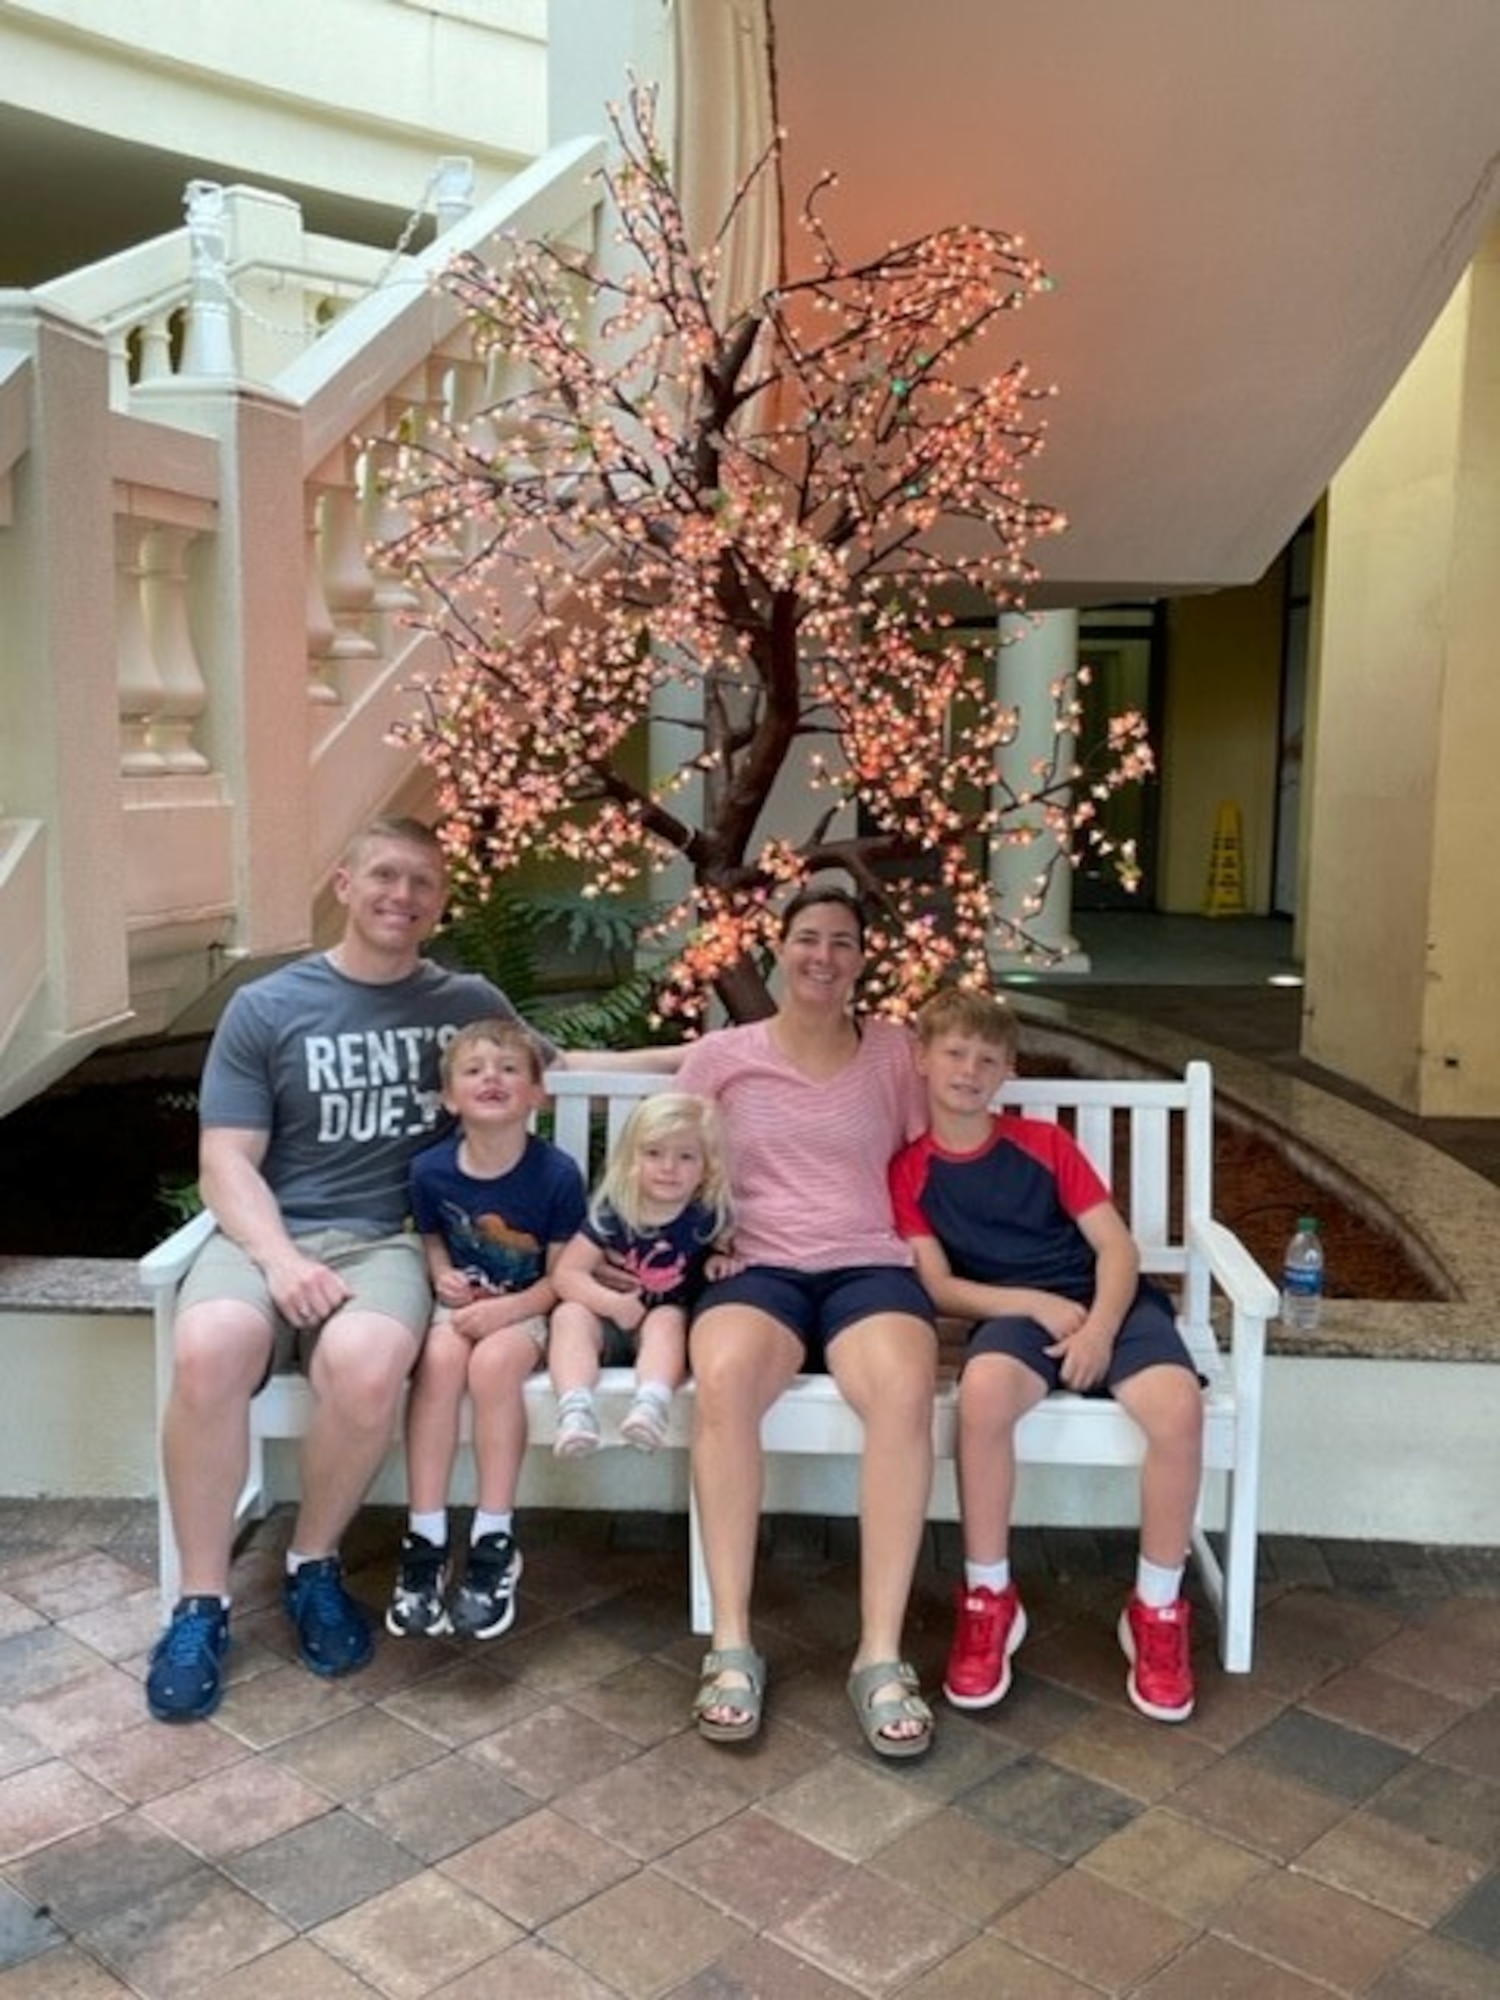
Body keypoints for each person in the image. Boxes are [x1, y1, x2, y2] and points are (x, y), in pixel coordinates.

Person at [146, 814, 676, 1723]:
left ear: (438, 904)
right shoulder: (268, 1006)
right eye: (384, 876)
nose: (402, 896)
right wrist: (278, 1262)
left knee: (363, 1366)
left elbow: (562, 1062)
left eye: (422, 883)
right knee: (208, 1348)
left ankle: (314, 1565)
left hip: (389, 1238)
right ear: (344, 885)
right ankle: (200, 1604)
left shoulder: (460, 1000)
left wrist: (724, 1057)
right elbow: (225, 1160)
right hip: (263, 1236)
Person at [889, 987, 1206, 1724]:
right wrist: (1029, 1305)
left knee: (1177, 1408)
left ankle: (1156, 1610)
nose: (969, 1069)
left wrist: (1098, 1329)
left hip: (1109, 1304)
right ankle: (988, 1594)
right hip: (1015, 1315)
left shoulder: (1043, 1146)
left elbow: (1116, 1248)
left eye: (987, 1058)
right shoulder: (911, 1172)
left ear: (1007, 1072)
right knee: (987, 1393)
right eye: (955, 1053)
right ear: (922, 1059)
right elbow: (938, 1285)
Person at [676, 884, 939, 1759]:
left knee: (905, 1391)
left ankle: (880, 1654)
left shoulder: (896, 1055)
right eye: (807, 939)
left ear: (864, 959)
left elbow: (941, 1143)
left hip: (869, 1263)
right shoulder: (723, 1057)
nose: (823, 956)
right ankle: (732, 1644)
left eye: (842, 942)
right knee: (720, 1379)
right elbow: (669, 1141)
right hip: (758, 1265)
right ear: (778, 949)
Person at [384, 1020, 585, 1641]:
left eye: (508, 1070)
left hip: (527, 1307)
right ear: (450, 1098)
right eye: (473, 1071)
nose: (491, 1079)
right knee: (440, 1359)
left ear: (535, 1094)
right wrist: (441, 1276)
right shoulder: (431, 1171)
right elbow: (433, 1239)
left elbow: (564, 1279)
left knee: (493, 1364)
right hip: (461, 1307)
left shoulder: (555, 1175)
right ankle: (427, 1535)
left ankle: (494, 1535)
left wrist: (507, 1310)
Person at [549, 1092, 734, 1456]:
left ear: (706, 1169)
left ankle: (650, 1406)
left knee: (667, 1319)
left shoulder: (706, 1216)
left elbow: (726, 1247)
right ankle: (575, 1410)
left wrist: (719, 1259)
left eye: (686, 1157)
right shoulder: (614, 1211)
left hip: (664, 1331)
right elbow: (567, 1275)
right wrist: (611, 1304)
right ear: (632, 1160)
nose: (669, 1167)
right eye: (654, 1154)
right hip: (606, 1325)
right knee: (568, 1314)